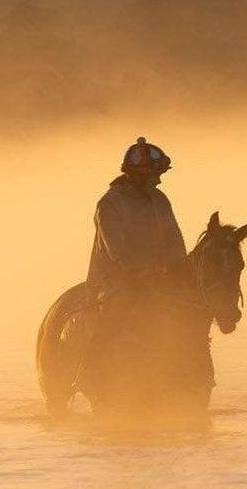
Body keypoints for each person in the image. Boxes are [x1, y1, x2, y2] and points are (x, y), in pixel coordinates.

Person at [78, 137, 187, 393]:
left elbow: (175, 239)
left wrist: (181, 271)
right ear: (139, 176)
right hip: (115, 281)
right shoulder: (110, 203)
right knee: (116, 312)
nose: (160, 181)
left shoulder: (160, 199)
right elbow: (117, 250)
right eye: (156, 176)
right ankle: (89, 371)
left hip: (159, 277)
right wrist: (144, 273)